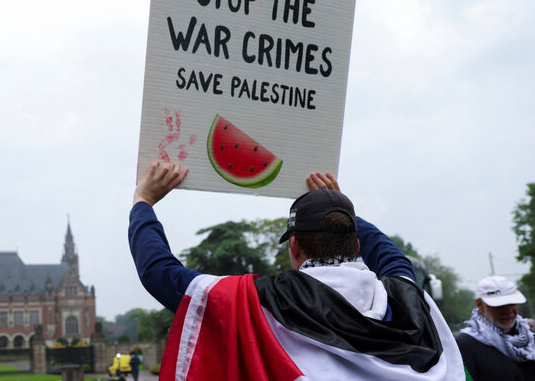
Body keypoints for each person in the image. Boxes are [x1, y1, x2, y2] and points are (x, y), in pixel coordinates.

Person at [129, 161, 464, 380]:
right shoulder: (408, 298)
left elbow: (159, 273)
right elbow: (392, 257)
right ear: (357, 245)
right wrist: (337, 206)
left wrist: (143, 202)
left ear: (294, 248)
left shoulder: (260, 303)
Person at [456, 275, 535, 380]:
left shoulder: (529, 336)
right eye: (499, 306)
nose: (508, 311)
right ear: (480, 304)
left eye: (512, 304)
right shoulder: (466, 344)